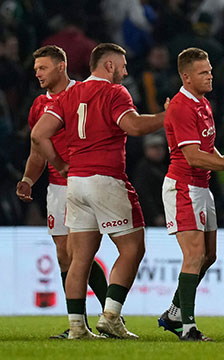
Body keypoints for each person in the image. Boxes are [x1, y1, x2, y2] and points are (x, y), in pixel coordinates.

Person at [31, 43, 166, 339]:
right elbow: (133, 126)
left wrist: (60, 164)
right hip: (106, 179)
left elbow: (39, 134)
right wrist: (165, 117)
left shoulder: (68, 95)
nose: (126, 71)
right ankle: (111, 316)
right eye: (122, 65)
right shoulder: (114, 92)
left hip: (75, 183)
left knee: (80, 258)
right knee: (133, 248)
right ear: (108, 66)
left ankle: (77, 327)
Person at [156, 47, 224, 341]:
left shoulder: (203, 104)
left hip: (201, 187)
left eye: (211, 71)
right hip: (183, 187)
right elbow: (192, 156)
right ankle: (186, 327)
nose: (210, 76)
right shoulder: (180, 106)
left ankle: (175, 313)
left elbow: (207, 148)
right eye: (204, 73)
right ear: (186, 77)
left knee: (209, 256)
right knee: (194, 255)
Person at [16, 45, 109, 339]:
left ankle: (110, 316)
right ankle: (78, 324)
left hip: (85, 181)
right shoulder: (38, 105)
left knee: (81, 254)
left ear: (61, 66)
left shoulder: (84, 94)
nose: (38, 74)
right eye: (35, 70)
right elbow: (36, 148)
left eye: (42, 68)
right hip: (56, 187)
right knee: (64, 256)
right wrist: (29, 179)